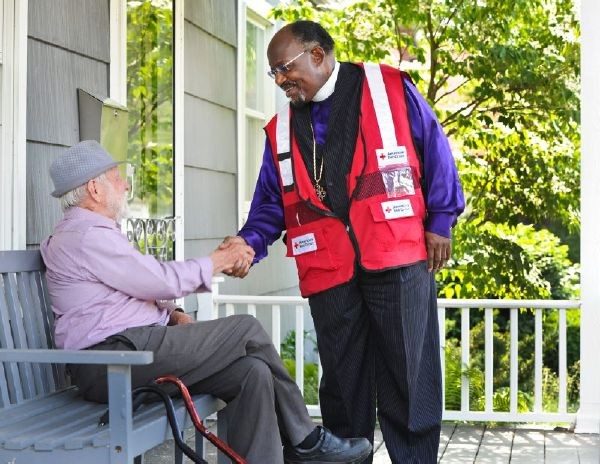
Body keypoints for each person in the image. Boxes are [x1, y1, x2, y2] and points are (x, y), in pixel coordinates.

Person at [221, 20, 465, 464]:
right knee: (343, 385)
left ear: (317, 55)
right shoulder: (279, 130)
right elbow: (270, 207)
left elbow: (435, 148)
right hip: (329, 270)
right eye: (273, 74)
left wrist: (442, 219)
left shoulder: (388, 87)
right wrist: (248, 244)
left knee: (411, 381)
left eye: (284, 68)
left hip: (396, 255)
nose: (279, 81)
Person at [41, 140, 372, 464]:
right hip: (112, 361)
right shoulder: (87, 236)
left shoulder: (92, 233)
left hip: (131, 352)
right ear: (95, 189)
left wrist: (173, 314)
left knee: (251, 373)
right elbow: (159, 280)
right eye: (116, 177)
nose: (125, 185)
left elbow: (127, 293)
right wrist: (220, 259)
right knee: (245, 329)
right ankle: (305, 441)